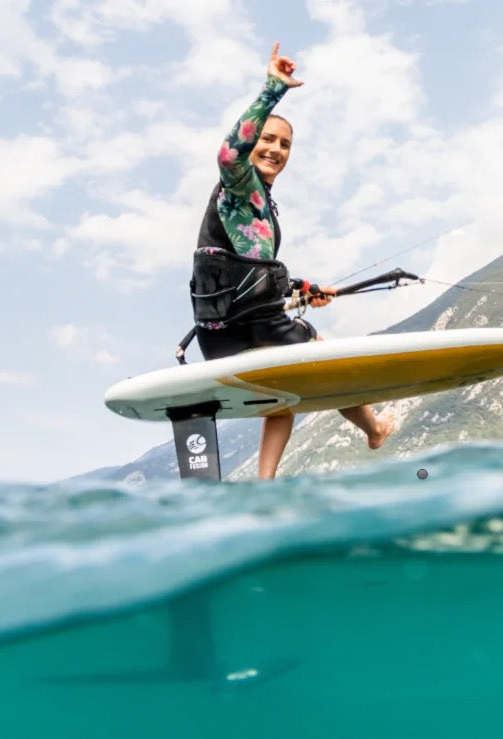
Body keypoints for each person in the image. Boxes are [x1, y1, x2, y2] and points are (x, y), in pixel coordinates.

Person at [189, 42, 394, 479]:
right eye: (268, 139)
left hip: (219, 334)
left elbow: (254, 268)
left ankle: (264, 485)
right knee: (323, 357)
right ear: (253, 140)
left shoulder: (258, 205)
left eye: (285, 144)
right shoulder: (238, 182)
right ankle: (374, 430)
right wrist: (272, 91)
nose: (276, 149)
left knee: (279, 399)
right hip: (252, 325)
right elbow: (228, 154)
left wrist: (305, 289)